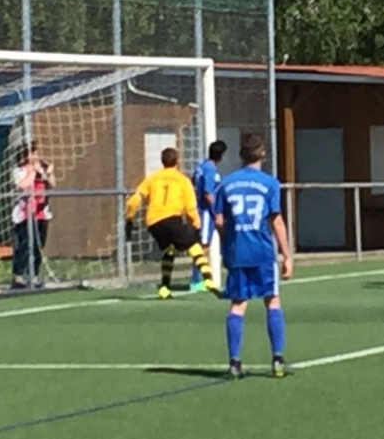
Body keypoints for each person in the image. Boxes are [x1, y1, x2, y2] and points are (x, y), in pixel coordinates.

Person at [216, 133, 293, 379]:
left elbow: (219, 220)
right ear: (263, 153)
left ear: (241, 154)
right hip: (262, 252)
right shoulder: (270, 183)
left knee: (238, 304)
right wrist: (287, 255)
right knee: (272, 300)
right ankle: (277, 360)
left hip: (237, 250)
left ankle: (234, 362)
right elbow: (276, 220)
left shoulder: (226, 183)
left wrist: (229, 240)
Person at [124, 147, 220, 301]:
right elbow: (191, 207)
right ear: (177, 161)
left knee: (170, 249)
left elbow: (134, 200)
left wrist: (129, 218)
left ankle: (164, 288)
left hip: (153, 222)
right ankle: (208, 279)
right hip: (172, 219)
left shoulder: (153, 178)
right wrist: (196, 224)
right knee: (195, 246)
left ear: (162, 161)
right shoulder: (183, 180)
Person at [11, 141, 54, 289]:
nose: (36, 156)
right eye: (33, 153)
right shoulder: (19, 171)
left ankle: (34, 275)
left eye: (37, 153)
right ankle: (18, 276)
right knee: (23, 246)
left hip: (40, 213)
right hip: (25, 214)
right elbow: (23, 186)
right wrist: (33, 172)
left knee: (38, 246)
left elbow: (52, 184)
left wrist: (47, 173)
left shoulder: (41, 169)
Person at [190, 140, 227, 293]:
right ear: (221, 155)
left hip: (199, 210)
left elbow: (193, 183)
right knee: (203, 246)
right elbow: (208, 193)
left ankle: (200, 278)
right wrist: (217, 211)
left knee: (202, 245)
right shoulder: (210, 169)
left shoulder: (201, 166)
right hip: (205, 212)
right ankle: (196, 280)